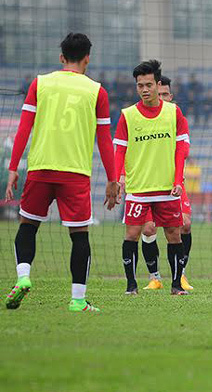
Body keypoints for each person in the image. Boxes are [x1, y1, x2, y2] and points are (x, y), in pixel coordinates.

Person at [4, 33, 119, 312]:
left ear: (61, 57)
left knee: (28, 226)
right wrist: (113, 180)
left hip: (40, 169)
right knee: (79, 235)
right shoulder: (97, 91)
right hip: (75, 174)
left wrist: (12, 168)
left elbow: (23, 129)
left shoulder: (40, 83)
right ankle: (78, 300)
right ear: (87, 59)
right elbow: (104, 140)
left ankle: (23, 277)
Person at [113, 60, 190, 296]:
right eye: (139, 86)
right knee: (133, 235)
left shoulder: (173, 112)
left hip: (167, 188)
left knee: (174, 234)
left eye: (148, 85)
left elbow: (181, 150)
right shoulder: (128, 115)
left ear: (158, 84)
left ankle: (176, 285)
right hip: (138, 189)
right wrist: (117, 179)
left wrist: (178, 180)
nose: (144, 90)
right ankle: (131, 286)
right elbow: (119, 151)